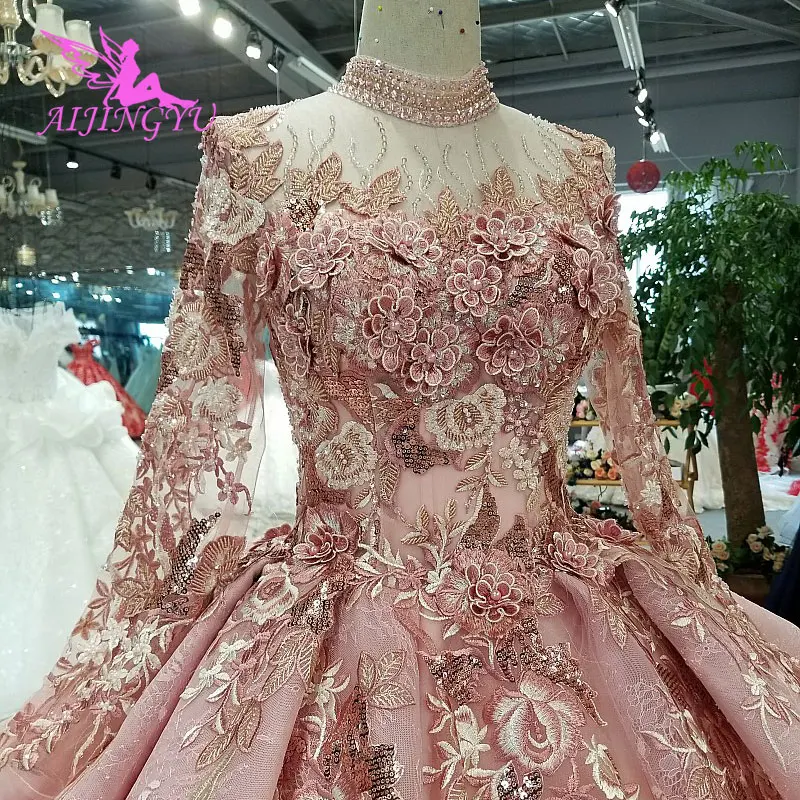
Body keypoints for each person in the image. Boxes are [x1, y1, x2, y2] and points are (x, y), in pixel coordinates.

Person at [2, 1, 800, 798]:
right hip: (334, 612)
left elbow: (627, 409)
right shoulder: (255, 157)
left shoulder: (578, 169)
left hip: (561, 605)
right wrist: (152, 627)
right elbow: (194, 435)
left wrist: (684, 575)